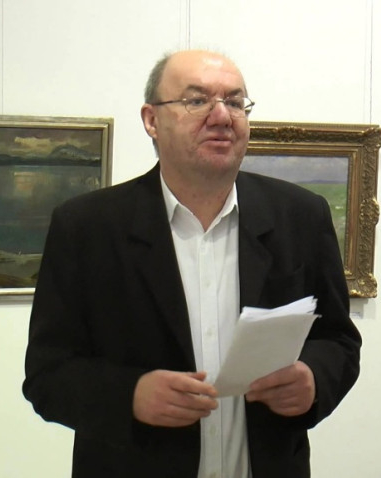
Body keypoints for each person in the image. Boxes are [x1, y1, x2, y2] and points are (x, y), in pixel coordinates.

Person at [22, 49, 362, 478]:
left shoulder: (300, 216)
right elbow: (47, 375)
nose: (221, 116)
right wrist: (130, 396)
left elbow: (338, 341)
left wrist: (313, 379)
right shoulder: (87, 227)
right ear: (151, 120)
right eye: (197, 100)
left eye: (235, 102)